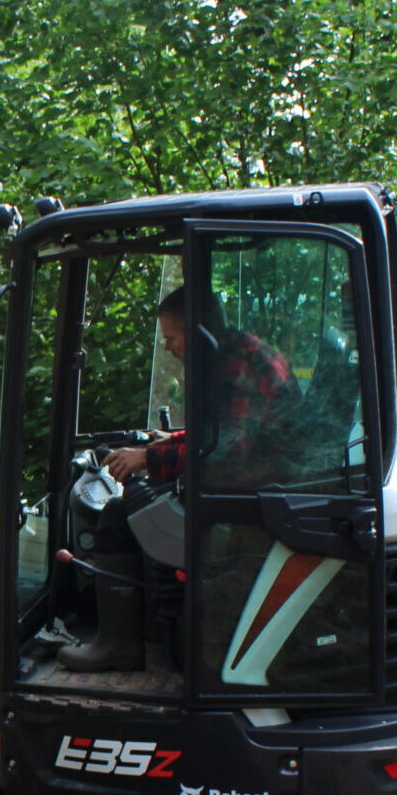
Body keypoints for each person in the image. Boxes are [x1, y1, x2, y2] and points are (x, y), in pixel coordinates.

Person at [59, 284, 300, 672]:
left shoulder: (236, 370)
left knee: (118, 517)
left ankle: (118, 646)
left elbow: (225, 452)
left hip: (250, 501)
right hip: (256, 487)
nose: (168, 346)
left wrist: (148, 458)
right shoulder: (241, 353)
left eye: (172, 337)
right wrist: (170, 440)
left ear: (198, 331)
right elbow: (220, 432)